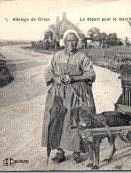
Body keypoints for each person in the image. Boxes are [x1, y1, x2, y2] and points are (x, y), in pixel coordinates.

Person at [41, 30, 96, 163]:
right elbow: (48, 70)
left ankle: (77, 151)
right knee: (57, 120)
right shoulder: (57, 55)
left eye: (74, 40)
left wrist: (73, 77)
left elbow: (91, 74)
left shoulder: (82, 57)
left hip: (77, 94)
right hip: (58, 93)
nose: (71, 43)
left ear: (77, 42)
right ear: (64, 42)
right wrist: (55, 78)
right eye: (68, 40)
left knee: (75, 120)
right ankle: (60, 152)